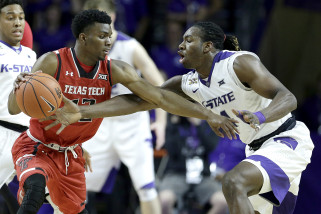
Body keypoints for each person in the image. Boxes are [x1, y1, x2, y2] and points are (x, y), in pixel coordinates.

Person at [47, 21, 314, 214]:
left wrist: (260, 115)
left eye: (188, 40)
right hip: (255, 148)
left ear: (208, 46)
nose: (180, 45)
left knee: (233, 183)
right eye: (181, 40)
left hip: (286, 139)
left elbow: (287, 97)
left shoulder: (238, 63)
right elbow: (141, 101)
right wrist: (83, 111)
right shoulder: (187, 84)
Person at [8, 10, 238, 214]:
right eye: (102, 36)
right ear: (83, 37)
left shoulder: (115, 69)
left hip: (71, 152)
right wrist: (19, 88)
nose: (109, 41)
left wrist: (207, 114)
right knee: (34, 192)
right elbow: (13, 107)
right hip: (38, 145)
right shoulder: (51, 62)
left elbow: (159, 97)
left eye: (110, 35)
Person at [82, 0, 166, 213]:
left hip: (132, 124)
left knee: (146, 188)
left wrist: (161, 123)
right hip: (99, 125)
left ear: (113, 18)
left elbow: (161, 86)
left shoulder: (131, 47)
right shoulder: (83, 50)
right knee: (76, 185)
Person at [0, 1, 37, 213]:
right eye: (10, 17)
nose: (17, 23)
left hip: (28, 137)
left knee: (56, 198)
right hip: (2, 133)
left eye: (21, 18)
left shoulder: (31, 55)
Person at [159, 115, 227, 214]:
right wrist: (173, 124)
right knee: (164, 200)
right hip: (177, 173)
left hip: (203, 176)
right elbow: (171, 150)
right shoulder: (175, 123)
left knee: (222, 202)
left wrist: (198, 125)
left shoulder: (208, 125)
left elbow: (210, 146)